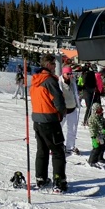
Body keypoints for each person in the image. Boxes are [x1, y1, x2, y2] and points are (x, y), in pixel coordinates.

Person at [30, 54, 67, 194]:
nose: (55, 66)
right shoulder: (49, 80)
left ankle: (41, 178)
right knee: (58, 151)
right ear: (49, 65)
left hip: (37, 119)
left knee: (42, 150)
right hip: (50, 120)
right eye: (54, 64)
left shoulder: (35, 80)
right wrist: (62, 112)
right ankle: (59, 182)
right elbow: (58, 100)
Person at [59, 66, 80, 155]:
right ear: (63, 73)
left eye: (71, 73)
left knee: (72, 128)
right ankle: (57, 146)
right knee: (58, 128)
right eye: (68, 73)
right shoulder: (59, 82)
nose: (70, 75)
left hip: (72, 108)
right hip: (63, 110)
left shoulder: (72, 82)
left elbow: (75, 93)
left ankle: (70, 147)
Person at [87, 102, 105, 166]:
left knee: (103, 146)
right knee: (96, 148)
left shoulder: (101, 117)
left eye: (101, 110)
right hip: (96, 136)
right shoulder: (92, 119)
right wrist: (93, 138)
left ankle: (100, 158)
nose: (100, 112)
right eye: (98, 111)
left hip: (101, 136)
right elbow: (92, 129)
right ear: (94, 111)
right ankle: (92, 161)